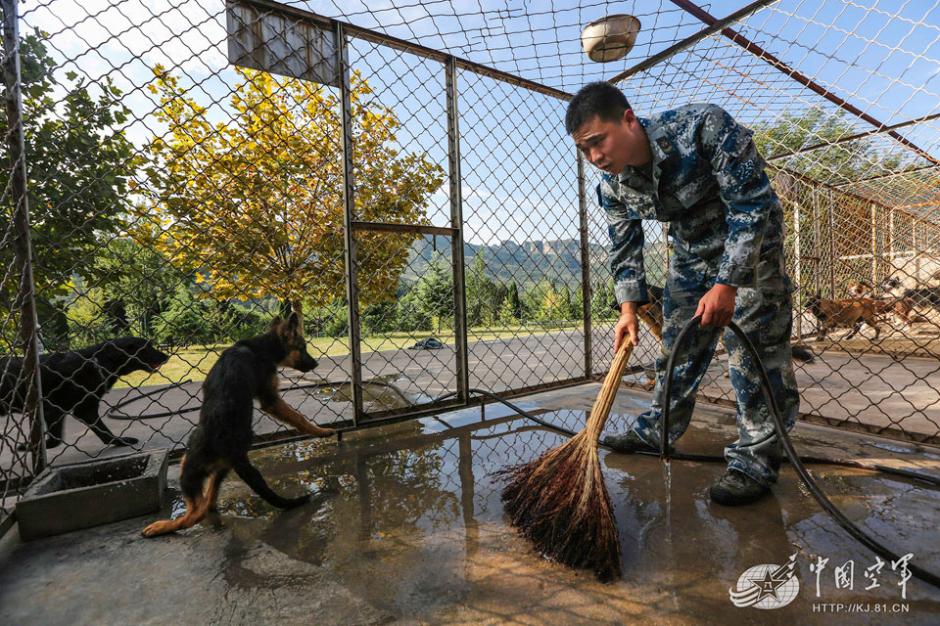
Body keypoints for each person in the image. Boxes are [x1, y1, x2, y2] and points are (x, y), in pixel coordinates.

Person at [566, 82, 799, 505]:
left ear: (629, 119)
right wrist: (628, 310)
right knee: (677, 349)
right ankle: (659, 430)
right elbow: (624, 247)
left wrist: (727, 283)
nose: (595, 157)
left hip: (752, 248)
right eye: (584, 150)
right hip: (691, 255)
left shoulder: (703, 127)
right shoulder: (613, 185)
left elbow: (752, 205)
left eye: (598, 142)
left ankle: (756, 461)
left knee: (754, 357)